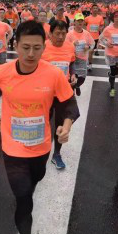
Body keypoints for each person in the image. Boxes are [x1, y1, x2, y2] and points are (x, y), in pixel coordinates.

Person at [0, 20, 79, 234]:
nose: (30, 54)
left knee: (34, 182)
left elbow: (69, 103)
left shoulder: (52, 74)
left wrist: (66, 126)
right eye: (25, 47)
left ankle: (26, 196)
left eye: (37, 48)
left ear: (43, 47)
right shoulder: (2, 71)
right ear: (15, 45)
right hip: (13, 148)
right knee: (24, 198)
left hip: (40, 147)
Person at [41, 20, 78, 169]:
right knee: (43, 122)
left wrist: (73, 75)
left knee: (61, 124)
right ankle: (39, 151)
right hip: (45, 94)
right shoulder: (42, 47)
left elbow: (72, 63)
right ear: (50, 34)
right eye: (58, 33)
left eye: (64, 33)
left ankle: (57, 154)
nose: (61, 36)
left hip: (63, 92)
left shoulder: (70, 46)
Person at [99, 11, 118, 97]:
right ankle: (112, 88)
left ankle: (111, 75)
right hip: (110, 53)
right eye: (115, 17)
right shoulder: (108, 28)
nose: (117, 18)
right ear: (113, 18)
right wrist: (106, 44)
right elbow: (101, 38)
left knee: (117, 71)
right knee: (113, 71)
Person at [66, 13, 94, 96]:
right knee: (72, 77)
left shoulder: (86, 33)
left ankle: (77, 86)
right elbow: (65, 46)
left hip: (83, 58)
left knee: (82, 78)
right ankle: (72, 91)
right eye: (78, 21)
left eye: (81, 21)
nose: (80, 23)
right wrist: (72, 44)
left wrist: (88, 47)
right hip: (73, 59)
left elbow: (92, 44)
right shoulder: (69, 34)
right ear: (74, 22)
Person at [84, 5, 105, 70]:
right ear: (91, 10)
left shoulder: (100, 18)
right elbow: (83, 25)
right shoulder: (87, 18)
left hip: (96, 38)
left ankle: (89, 62)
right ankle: (89, 64)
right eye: (94, 8)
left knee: (91, 52)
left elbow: (102, 25)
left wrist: (100, 29)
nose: (95, 9)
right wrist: (85, 32)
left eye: (96, 8)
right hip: (88, 38)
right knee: (90, 51)